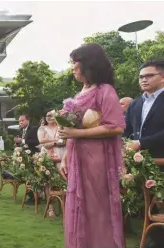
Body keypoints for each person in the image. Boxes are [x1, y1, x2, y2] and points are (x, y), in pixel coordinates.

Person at [58, 43, 125, 248]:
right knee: (78, 205)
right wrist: (65, 157)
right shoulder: (80, 93)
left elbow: (116, 126)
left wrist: (77, 133)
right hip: (77, 157)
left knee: (96, 207)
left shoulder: (105, 91)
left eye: (75, 62)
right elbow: (71, 131)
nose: (72, 67)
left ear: (88, 64)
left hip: (96, 159)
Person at [124, 60, 164, 248]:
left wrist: (141, 143)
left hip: (162, 160)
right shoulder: (135, 104)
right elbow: (127, 132)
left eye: (149, 75)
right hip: (141, 166)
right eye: (141, 76)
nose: (144, 80)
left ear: (162, 77)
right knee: (149, 206)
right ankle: (155, 239)